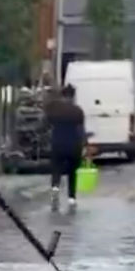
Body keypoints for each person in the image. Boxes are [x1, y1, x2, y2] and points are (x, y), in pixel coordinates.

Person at [44, 83, 86, 213]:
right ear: (73, 96)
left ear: (63, 95)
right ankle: (71, 198)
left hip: (58, 144)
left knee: (56, 169)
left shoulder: (55, 110)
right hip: (74, 145)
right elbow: (81, 130)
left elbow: (45, 125)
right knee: (72, 172)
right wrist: (85, 144)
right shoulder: (78, 111)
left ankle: (55, 189)